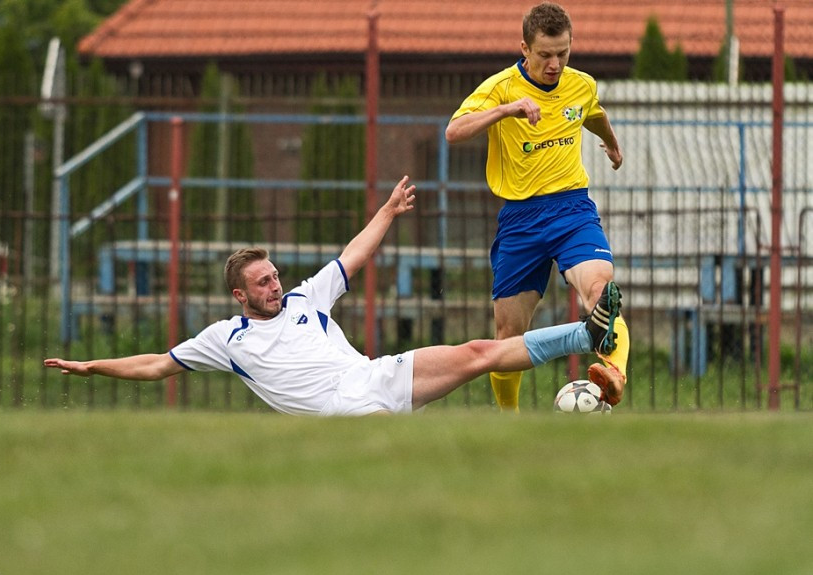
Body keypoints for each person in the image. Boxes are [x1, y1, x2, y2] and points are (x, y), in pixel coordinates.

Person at [45, 176, 620, 416]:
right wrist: (94, 366)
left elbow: (354, 255)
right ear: (240, 295)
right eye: (264, 282)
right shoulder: (226, 339)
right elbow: (154, 365)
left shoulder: (304, 300)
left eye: (275, 276)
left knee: (477, 352)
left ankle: (586, 332)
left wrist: (388, 211)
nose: (276, 285)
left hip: (375, 376)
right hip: (341, 413)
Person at [445, 1, 629, 412]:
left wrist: (612, 143)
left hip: (571, 210)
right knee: (507, 336)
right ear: (524, 48)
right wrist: (506, 110)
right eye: (545, 54)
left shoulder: (581, 83)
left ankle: (615, 373)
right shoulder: (500, 88)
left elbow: (591, 113)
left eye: (563, 53)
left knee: (603, 295)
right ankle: (509, 421)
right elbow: (454, 132)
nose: (555, 64)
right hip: (520, 219)